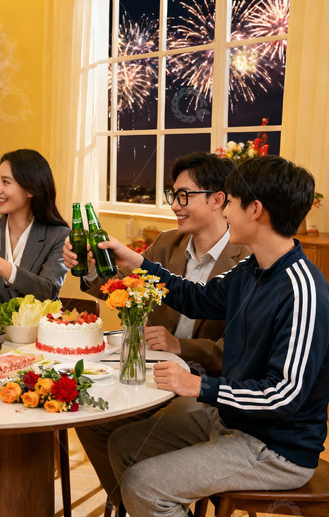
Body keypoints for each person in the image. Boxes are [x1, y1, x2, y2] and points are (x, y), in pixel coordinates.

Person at [101, 156, 329, 517]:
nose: (226, 212)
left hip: (276, 447)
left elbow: (284, 396)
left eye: (232, 203)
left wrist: (199, 387)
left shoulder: (302, 290)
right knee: (123, 443)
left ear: (255, 210)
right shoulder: (251, 269)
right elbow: (196, 298)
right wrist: (136, 261)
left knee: (143, 483)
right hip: (231, 421)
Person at [63, 152, 251, 508]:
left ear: (217, 199)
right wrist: (88, 270)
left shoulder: (246, 260)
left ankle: (149, 497)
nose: (175, 205)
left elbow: (238, 350)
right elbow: (120, 286)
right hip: (151, 372)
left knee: (144, 433)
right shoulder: (168, 243)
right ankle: (132, 503)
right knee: (90, 417)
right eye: (173, 195)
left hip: (205, 384)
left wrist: (181, 347)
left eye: (184, 196)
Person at [0, 148, 69, 305]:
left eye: (6, 182)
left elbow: (48, 292)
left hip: (40, 328)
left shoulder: (58, 236)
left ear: (31, 189)